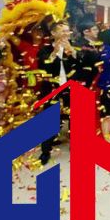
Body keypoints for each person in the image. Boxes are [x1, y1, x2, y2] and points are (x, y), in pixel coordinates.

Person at [36, 21, 78, 165]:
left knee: (74, 118)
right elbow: (43, 67)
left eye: (67, 30)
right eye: (63, 30)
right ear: (53, 33)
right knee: (49, 119)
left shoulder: (73, 46)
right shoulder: (45, 49)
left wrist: (72, 52)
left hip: (70, 88)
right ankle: (45, 151)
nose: (66, 33)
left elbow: (80, 65)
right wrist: (55, 52)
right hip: (51, 88)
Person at [73, 19, 101, 90]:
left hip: (94, 78)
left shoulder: (97, 43)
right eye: (94, 30)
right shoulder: (79, 44)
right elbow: (82, 59)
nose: (97, 31)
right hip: (83, 78)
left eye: (97, 29)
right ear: (85, 32)